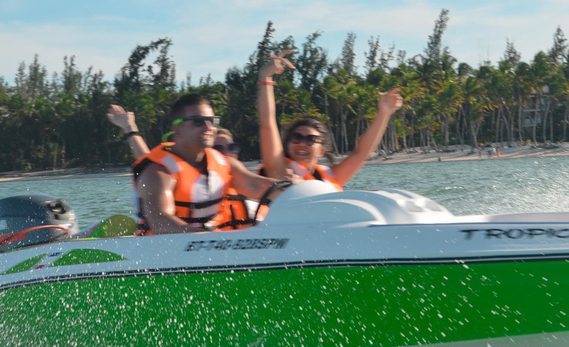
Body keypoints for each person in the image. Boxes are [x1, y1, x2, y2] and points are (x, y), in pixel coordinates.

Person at [111, 94, 292, 234]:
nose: (208, 128)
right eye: (198, 122)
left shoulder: (224, 163)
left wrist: (296, 190)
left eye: (211, 121)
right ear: (177, 129)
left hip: (209, 245)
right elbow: (160, 221)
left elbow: (256, 185)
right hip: (163, 254)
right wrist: (204, 238)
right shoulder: (158, 172)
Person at [258, 50, 403, 189]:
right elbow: (267, 124)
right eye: (296, 138)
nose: (302, 143)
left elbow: (362, 153)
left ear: (321, 150)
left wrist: (383, 113)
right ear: (288, 144)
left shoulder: (331, 176)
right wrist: (266, 77)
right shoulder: (278, 170)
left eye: (310, 140)